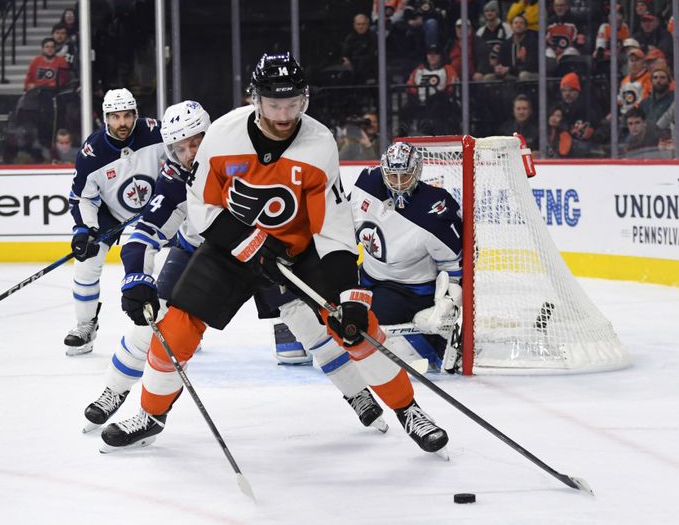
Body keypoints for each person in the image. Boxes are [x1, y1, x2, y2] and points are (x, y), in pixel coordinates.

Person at [99, 52, 449, 455]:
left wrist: (350, 295)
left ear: (304, 100)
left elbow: (332, 226)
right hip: (231, 250)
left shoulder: (319, 143)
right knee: (176, 326)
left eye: (292, 104)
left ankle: (409, 410)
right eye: (274, 104)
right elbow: (202, 206)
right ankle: (150, 414)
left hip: (298, 252)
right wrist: (250, 244)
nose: (284, 115)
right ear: (255, 100)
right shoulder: (223, 135)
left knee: (357, 326)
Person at [84, 100, 390, 435]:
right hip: (201, 254)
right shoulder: (174, 179)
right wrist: (135, 277)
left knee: (306, 322)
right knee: (151, 320)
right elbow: (143, 234)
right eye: (179, 147)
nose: (189, 153)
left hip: (265, 251)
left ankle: (357, 392)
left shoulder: (239, 153)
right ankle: (118, 392)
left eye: (196, 142)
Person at [64, 88, 165, 356]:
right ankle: (85, 325)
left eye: (128, 116)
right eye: (115, 117)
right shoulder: (92, 152)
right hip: (112, 212)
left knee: (181, 257)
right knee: (86, 262)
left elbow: (185, 156)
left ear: (136, 115)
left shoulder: (156, 132)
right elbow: (82, 198)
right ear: (106, 118)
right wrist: (84, 229)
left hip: (160, 207)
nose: (122, 123)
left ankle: (179, 322)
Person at [350, 142, 464, 374]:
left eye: (405, 174)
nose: (399, 182)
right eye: (393, 175)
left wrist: (448, 302)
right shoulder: (366, 184)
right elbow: (346, 224)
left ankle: (434, 344)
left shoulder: (436, 207)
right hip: (368, 277)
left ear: (418, 171)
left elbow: (454, 265)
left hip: (410, 291)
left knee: (364, 317)